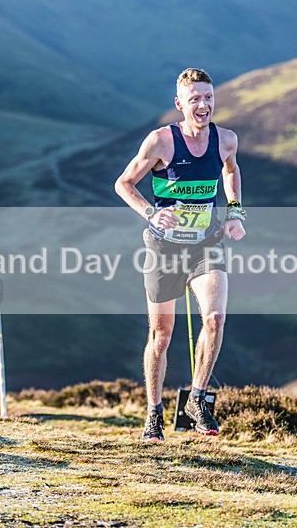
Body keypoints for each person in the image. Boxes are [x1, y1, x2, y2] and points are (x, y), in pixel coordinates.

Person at [114, 67, 246, 441]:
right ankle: (154, 412)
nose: (203, 106)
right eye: (194, 100)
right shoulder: (161, 141)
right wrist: (152, 212)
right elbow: (123, 184)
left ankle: (197, 400)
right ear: (179, 104)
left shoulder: (227, 139)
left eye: (208, 98)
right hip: (163, 248)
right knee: (161, 335)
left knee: (216, 318)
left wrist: (235, 210)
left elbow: (231, 172)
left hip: (207, 243)